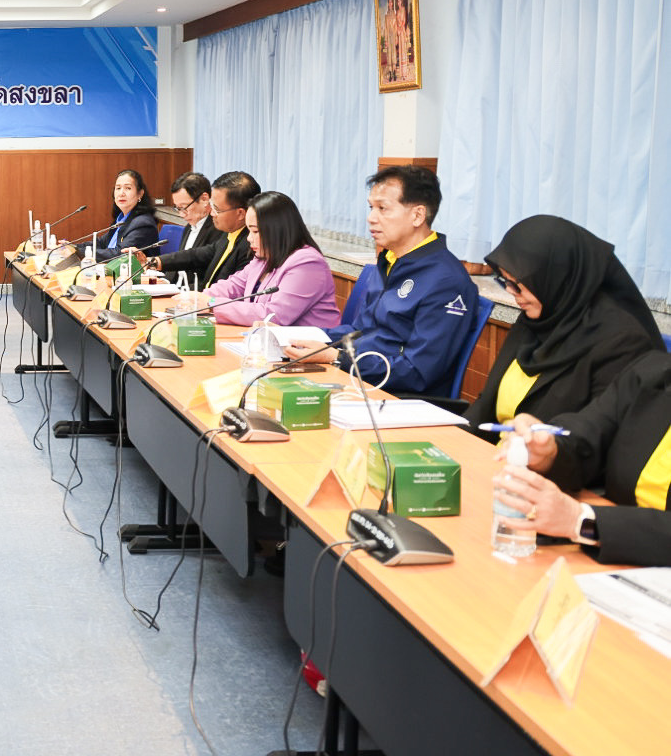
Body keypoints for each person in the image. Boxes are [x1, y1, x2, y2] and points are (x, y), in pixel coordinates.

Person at [287, 166, 478, 402]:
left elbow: (418, 372)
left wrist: (337, 358)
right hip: (358, 379)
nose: (371, 218)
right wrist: (294, 336)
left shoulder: (446, 281)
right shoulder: (390, 260)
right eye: (371, 208)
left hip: (398, 398)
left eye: (383, 208)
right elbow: (360, 331)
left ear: (417, 215)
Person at [464, 215, 662, 428]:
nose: (512, 293)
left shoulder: (621, 343)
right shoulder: (539, 317)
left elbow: (598, 434)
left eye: (517, 284)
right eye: (505, 282)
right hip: (495, 446)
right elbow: (486, 403)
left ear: (557, 278)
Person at [494, 351, 671, 566]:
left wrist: (580, 520)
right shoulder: (652, 371)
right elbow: (591, 430)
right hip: (619, 558)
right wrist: (549, 450)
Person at [202, 191, 338, 327]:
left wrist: (211, 303)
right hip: (265, 337)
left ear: (277, 230)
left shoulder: (307, 263)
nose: (249, 238)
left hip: (305, 340)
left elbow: (273, 315)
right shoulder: (264, 256)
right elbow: (234, 285)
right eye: (249, 231)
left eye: (255, 231)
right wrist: (199, 298)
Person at [144, 170, 260, 290]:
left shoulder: (251, 246)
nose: (212, 212)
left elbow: (231, 292)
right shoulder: (229, 236)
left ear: (240, 214)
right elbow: (196, 255)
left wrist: (182, 293)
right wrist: (154, 262)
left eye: (216, 209)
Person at [92, 169, 159, 258]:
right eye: (118, 188)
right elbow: (100, 243)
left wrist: (85, 253)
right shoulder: (121, 219)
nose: (121, 193)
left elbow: (119, 254)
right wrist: (75, 248)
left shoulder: (143, 224)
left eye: (128, 188)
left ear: (140, 194)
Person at [169, 171, 223, 254]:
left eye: (184, 207)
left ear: (204, 199)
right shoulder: (188, 227)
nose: (181, 214)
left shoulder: (219, 229)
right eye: (178, 208)